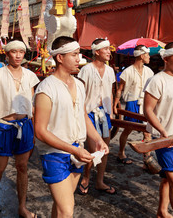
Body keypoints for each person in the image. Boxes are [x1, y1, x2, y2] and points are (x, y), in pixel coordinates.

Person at [34, 36, 109, 218]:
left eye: (79, 54)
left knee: (61, 206)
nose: (79, 59)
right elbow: (40, 131)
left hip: (77, 151)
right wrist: (72, 150)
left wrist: (98, 139)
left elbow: (83, 116)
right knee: (67, 210)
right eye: (74, 55)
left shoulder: (79, 85)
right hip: (54, 153)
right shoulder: (46, 89)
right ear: (60, 57)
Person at [0, 40, 39, 217]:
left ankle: (22, 206)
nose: (18, 55)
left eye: (21, 51)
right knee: (0, 167)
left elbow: (33, 106)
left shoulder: (30, 76)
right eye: (14, 52)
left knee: (22, 166)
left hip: (25, 126)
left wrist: (35, 130)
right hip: (4, 127)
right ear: (7, 54)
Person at [144, 43, 173, 218]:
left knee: (168, 177)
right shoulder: (157, 80)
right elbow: (148, 110)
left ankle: (162, 212)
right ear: (166, 58)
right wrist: (162, 131)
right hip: (164, 138)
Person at [77, 38, 116, 195]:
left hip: (104, 112)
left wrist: (112, 111)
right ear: (97, 52)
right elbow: (80, 93)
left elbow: (111, 92)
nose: (109, 52)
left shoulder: (110, 70)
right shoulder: (86, 70)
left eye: (109, 49)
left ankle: (100, 181)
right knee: (93, 150)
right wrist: (81, 113)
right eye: (105, 49)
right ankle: (86, 177)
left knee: (105, 149)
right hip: (89, 113)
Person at [113, 45, 154, 165]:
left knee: (147, 132)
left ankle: (147, 160)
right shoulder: (128, 71)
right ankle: (121, 153)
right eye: (147, 54)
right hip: (132, 103)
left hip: (145, 103)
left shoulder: (149, 71)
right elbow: (120, 89)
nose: (149, 57)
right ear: (141, 56)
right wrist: (116, 104)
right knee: (128, 129)